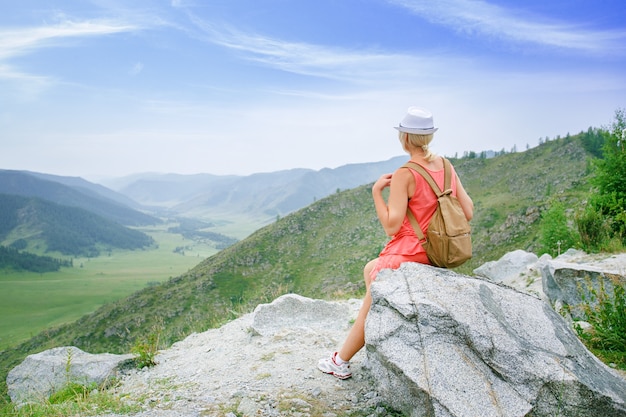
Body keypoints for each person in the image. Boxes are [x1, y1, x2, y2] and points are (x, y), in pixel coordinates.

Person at [317, 106, 474, 379]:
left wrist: (377, 192)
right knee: (370, 269)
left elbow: (391, 227)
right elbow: (468, 211)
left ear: (404, 138)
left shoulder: (406, 173)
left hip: (414, 252)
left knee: (375, 286)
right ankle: (375, 329)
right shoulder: (447, 165)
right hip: (439, 250)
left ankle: (340, 360)